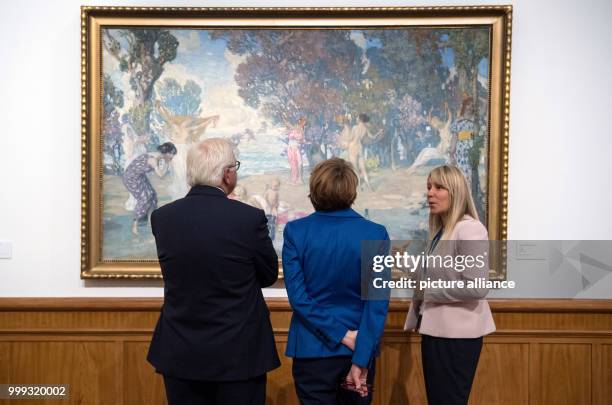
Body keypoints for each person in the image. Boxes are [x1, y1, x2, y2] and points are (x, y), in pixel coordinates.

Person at [147, 138, 280, 405]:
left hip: (180, 348)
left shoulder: (162, 218)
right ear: (227, 173)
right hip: (239, 352)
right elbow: (267, 275)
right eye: (235, 166)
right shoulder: (248, 218)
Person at [283, 157, 390, 404]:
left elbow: (299, 300)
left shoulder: (296, 232)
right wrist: (361, 354)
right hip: (357, 351)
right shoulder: (376, 233)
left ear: (314, 189)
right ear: (352, 190)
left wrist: (341, 334)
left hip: (312, 350)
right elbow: (378, 303)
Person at [404, 165, 495, 405]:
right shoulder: (443, 231)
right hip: (435, 333)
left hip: (456, 338)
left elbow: (476, 287)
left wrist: (428, 292)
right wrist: (408, 264)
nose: (430, 193)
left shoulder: (470, 229)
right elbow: (439, 276)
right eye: (428, 187)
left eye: (438, 187)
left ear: (455, 192)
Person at [122, 142, 176, 235]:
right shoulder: (154, 159)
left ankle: (151, 221)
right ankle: (135, 226)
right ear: (167, 153)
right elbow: (161, 175)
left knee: (153, 195)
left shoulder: (155, 156)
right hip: (131, 178)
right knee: (145, 198)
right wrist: (167, 163)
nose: (172, 157)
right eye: (172, 154)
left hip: (139, 177)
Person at [348, 114, 382, 191]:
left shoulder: (354, 127)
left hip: (353, 147)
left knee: (355, 167)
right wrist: (379, 133)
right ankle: (369, 185)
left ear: (360, 119)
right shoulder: (365, 129)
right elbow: (372, 137)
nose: (356, 119)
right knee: (363, 169)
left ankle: (359, 184)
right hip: (360, 148)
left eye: (357, 117)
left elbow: (350, 138)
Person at [285, 117, 306, 185]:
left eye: (304, 122)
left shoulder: (301, 129)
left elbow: (302, 139)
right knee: (293, 164)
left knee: (299, 163)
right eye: (303, 121)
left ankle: (299, 178)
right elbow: (289, 129)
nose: (304, 123)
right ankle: (294, 178)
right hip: (290, 148)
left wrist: (300, 140)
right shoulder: (295, 128)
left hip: (296, 148)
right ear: (300, 121)